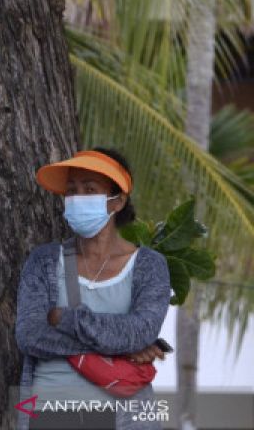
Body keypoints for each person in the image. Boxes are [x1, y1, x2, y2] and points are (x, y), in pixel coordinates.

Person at [14, 149, 172, 429]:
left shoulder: (149, 265)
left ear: (118, 201)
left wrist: (65, 319)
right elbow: (30, 335)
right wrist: (121, 348)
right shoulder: (44, 261)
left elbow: (140, 331)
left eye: (90, 189)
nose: (77, 199)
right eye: (71, 191)